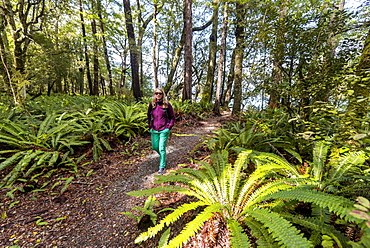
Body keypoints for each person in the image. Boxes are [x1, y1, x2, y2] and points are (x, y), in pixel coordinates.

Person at [147, 88, 175, 175]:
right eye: (156, 93)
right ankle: (163, 157)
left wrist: (169, 127)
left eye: (160, 93)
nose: (158, 95)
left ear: (163, 94)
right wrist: (150, 126)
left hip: (164, 130)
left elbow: (172, 117)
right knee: (155, 147)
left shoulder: (167, 105)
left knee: (162, 148)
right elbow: (148, 116)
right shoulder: (152, 105)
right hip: (154, 130)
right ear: (154, 94)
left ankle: (161, 167)